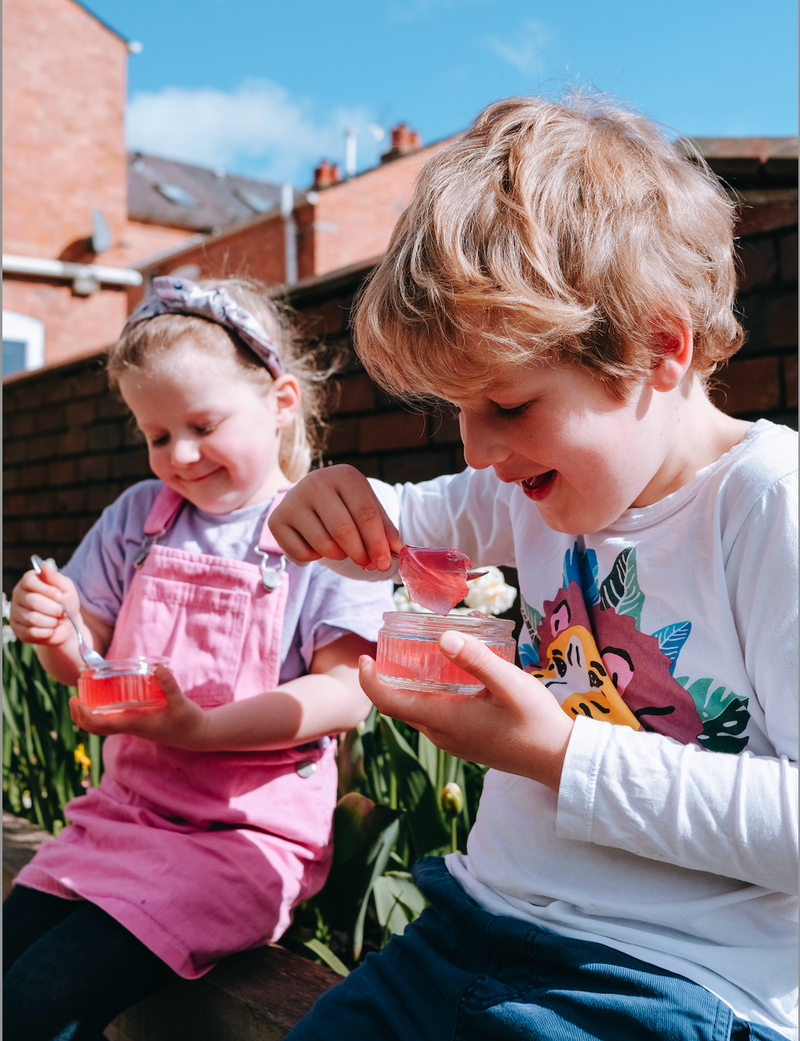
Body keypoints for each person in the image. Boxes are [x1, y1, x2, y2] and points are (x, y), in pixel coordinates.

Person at [268, 94, 798, 1041]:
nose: (475, 451)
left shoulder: (767, 508)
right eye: (456, 411)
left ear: (657, 347)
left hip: (679, 982)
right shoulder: (527, 490)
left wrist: (555, 753)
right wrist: (319, 501)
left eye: (506, 405)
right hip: (473, 930)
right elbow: (389, 523)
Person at [4, 276, 395, 1041]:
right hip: (119, 818)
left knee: (40, 1003)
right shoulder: (138, 520)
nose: (178, 455)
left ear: (281, 402)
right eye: (155, 435)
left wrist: (200, 729)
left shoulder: (317, 532)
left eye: (202, 424)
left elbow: (348, 692)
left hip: (240, 841)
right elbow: (82, 658)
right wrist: (53, 630)